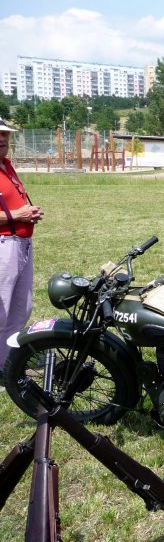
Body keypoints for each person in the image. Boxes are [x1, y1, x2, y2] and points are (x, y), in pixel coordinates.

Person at [0, 119, 43, 380]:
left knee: (20, 307)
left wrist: (29, 213)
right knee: (2, 309)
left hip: (21, 244)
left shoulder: (6, 166)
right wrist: (18, 215)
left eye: (5, 134)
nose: (2, 139)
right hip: (4, 245)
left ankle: (7, 364)